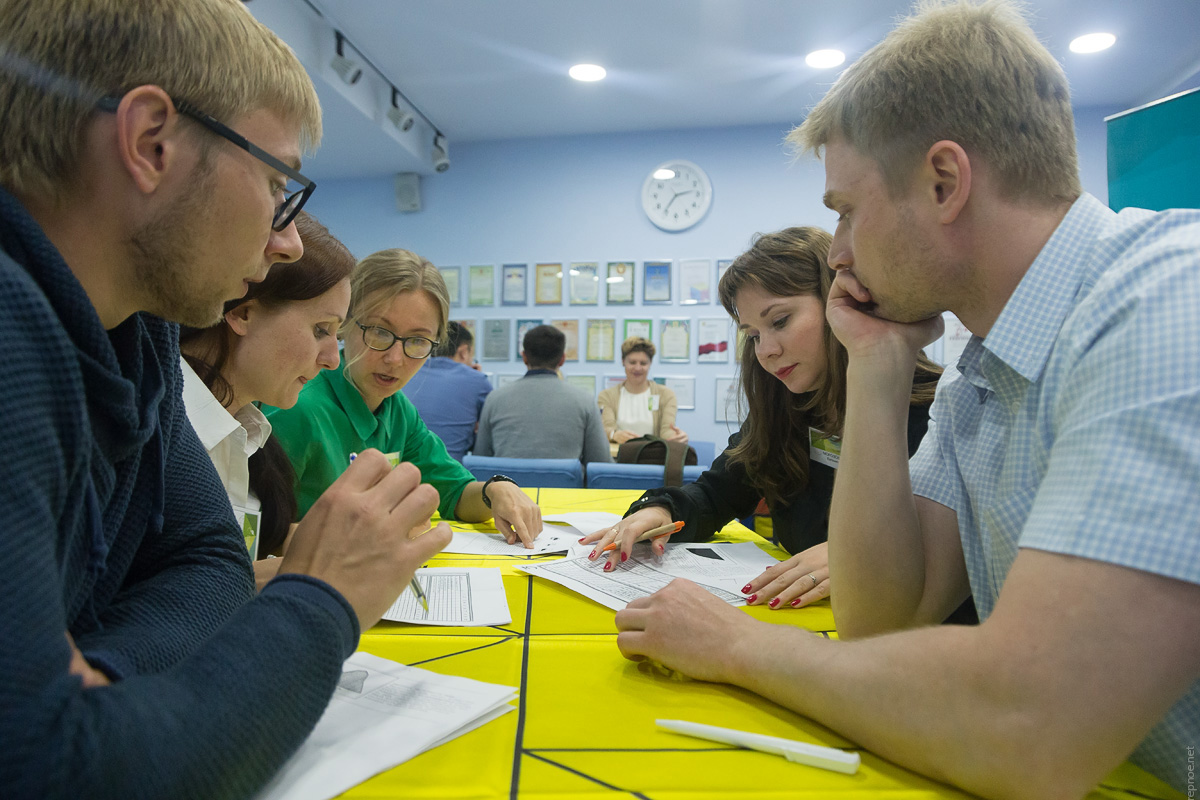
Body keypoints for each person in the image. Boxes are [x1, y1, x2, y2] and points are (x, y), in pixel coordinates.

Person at [613, 1, 1200, 797]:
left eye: (848, 212)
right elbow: (879, 617)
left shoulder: (1168, 300)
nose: (841, 251)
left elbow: (1030, 724)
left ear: (944, 181)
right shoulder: (980, 380)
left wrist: (738, 646)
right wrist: (880, 367)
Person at [0, 1, 450, 798]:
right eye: (276, 181)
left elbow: (208, 563)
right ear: (150, 143)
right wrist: (323, 600)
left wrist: (96, 676)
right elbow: (59, 776)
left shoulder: (136, 332)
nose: (285, 240)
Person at [584, 228, 950, 613]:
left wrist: (859, 555)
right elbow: (714, 494)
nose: (768, 351)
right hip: (797, 618)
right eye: (753, 335)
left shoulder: (939, 410)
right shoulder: (785, 408)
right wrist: (660, 510)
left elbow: (953, 545)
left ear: (841, 302)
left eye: (780, 321)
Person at [267, 249, 543, 546]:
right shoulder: (295, 407)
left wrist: (496, 489)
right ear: (345, 324)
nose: (395, 359)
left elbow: (456, 493)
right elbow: (252, 535)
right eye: (380, 332)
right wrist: (375, 537)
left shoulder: (397, 410)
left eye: (417, 341)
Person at [179, 211, 354, 582]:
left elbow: (253, 540)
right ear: (242, 313)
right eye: (321, 329)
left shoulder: (246, 429)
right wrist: (261, 581)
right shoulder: (158, 429)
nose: (332, 360)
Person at [474, 324, 613, 464]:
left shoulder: (495, 399)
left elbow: (480, 458)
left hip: (508, 485)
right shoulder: (585, 402)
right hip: (564, 485)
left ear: (524, 357)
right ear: (562, 359)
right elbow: (600, 462)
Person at [401, 320, 493, 461]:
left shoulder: (408, 373)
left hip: (402, 466)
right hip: (451, 471)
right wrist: (477, 377)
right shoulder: (478, 381)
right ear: (463, 352)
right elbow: (486, 432)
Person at [597, 337, 688, 445]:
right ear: (623, 362)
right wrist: (614, 435)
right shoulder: (606, 396)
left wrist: (676, 437)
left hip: (652, 458)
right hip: (618, 458)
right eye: (632, 362)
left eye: (643, 363)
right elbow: (606, 428)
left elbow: (666, 431)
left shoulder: (666, 395)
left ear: (650, 364)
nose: (638, 368)